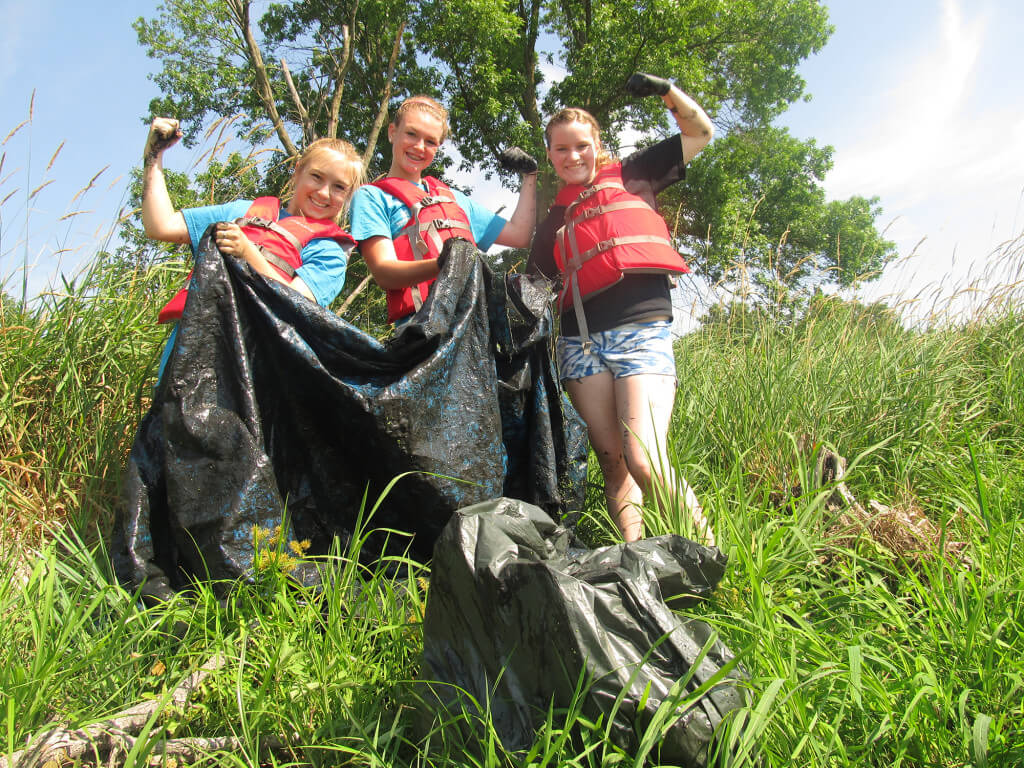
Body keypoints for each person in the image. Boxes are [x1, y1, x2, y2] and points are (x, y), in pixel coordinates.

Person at [526, 73, 715, 544]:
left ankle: (713, 556)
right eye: (561, 149)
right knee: (613, 464)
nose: (573, 157)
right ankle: (638, 559)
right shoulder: (554, 221)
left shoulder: (635, 173)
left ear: (598, 146)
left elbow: (700, 133)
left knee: (644, 458)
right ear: (550, 156)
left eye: (582, 146)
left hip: (640, 330)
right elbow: (530, 287)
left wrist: (668, 91)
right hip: (579, 345)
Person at [141, 116, 363, 375]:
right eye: (316, 177)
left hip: (254, 372)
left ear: (347, 196)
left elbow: (295, 305)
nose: (324, 193)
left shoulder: (329, 251)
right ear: (298, 171)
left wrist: (247, 253)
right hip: (189, 354)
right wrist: (153, 156)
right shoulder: (242, 211)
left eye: (338, 188)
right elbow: (161, 226)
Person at [350, 95, 538, 324]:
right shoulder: (372, 197)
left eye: (430, 141)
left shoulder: (454, 199)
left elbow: (520, 234)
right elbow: (384, 273)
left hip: (473, 327)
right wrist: (444, 263)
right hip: (420, 327)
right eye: (411, 134)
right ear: (392, 132)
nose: (419, 147)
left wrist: (530, 177)